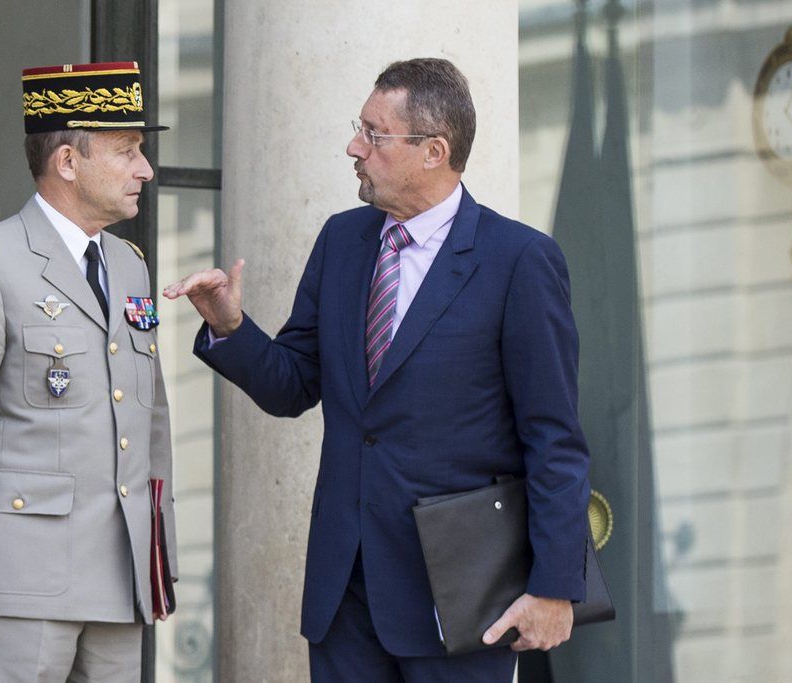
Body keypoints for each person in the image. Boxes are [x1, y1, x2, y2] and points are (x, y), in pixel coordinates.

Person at [164, 57, 590, 681]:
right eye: (357, 128)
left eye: (373, 133)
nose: (352, 147)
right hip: (347, 595)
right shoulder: (342, 240)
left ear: (433, 151)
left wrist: (555, 586)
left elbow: (554, 439)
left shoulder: (519, 261)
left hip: (461, 594)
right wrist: (231, 327)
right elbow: (292, 385)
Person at [0, 61, 176, 682]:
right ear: (67, 162)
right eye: (128, 150)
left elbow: (151, 425)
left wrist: (155, 562)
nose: (146, 169)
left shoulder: (130, 266)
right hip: (19, 586)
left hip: (120, 580)